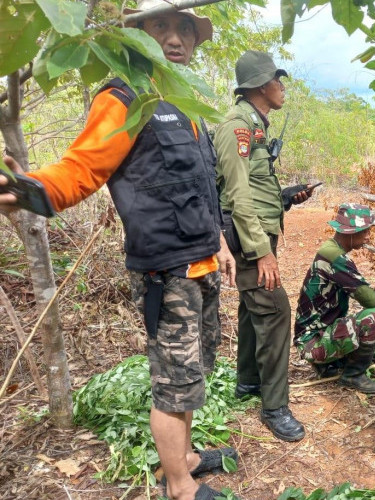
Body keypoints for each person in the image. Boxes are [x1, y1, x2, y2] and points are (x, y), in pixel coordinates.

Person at [0, 2, 238, 499]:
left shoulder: (187, 104)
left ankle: (188, 457)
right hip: (165, 272)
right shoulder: (124, 98)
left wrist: (220, 243)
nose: (174, 39)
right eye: (160, 26)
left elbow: (200, 187)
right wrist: (28, 188)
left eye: (184, 30)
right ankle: (179, 486)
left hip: (202, 263)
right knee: (172, 383)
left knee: (190, 374)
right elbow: (81, 168)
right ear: (138, 36)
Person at [214, 50, 316, 442]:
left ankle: (248, 383)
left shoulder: (254, 124)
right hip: (248, 240)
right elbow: (237, 196)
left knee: (253, 307)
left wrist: (286, 196)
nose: (282, 87)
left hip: (255, 233)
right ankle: (274, 406)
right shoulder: (237, 126)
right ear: (260, 86)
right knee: (274, 312)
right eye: (278, 80)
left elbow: (253, 187)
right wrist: (262, 251)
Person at [294, 203, 375, 393]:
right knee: (374, 316)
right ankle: (353, 376)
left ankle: (330, 365)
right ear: (350, 232)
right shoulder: (336, 258)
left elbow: (347, 285)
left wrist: (370, 287)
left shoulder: (331, 251)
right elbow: (369, 300)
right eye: (365, 231)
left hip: (314, 336)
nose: (368, 236)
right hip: (312, 343)